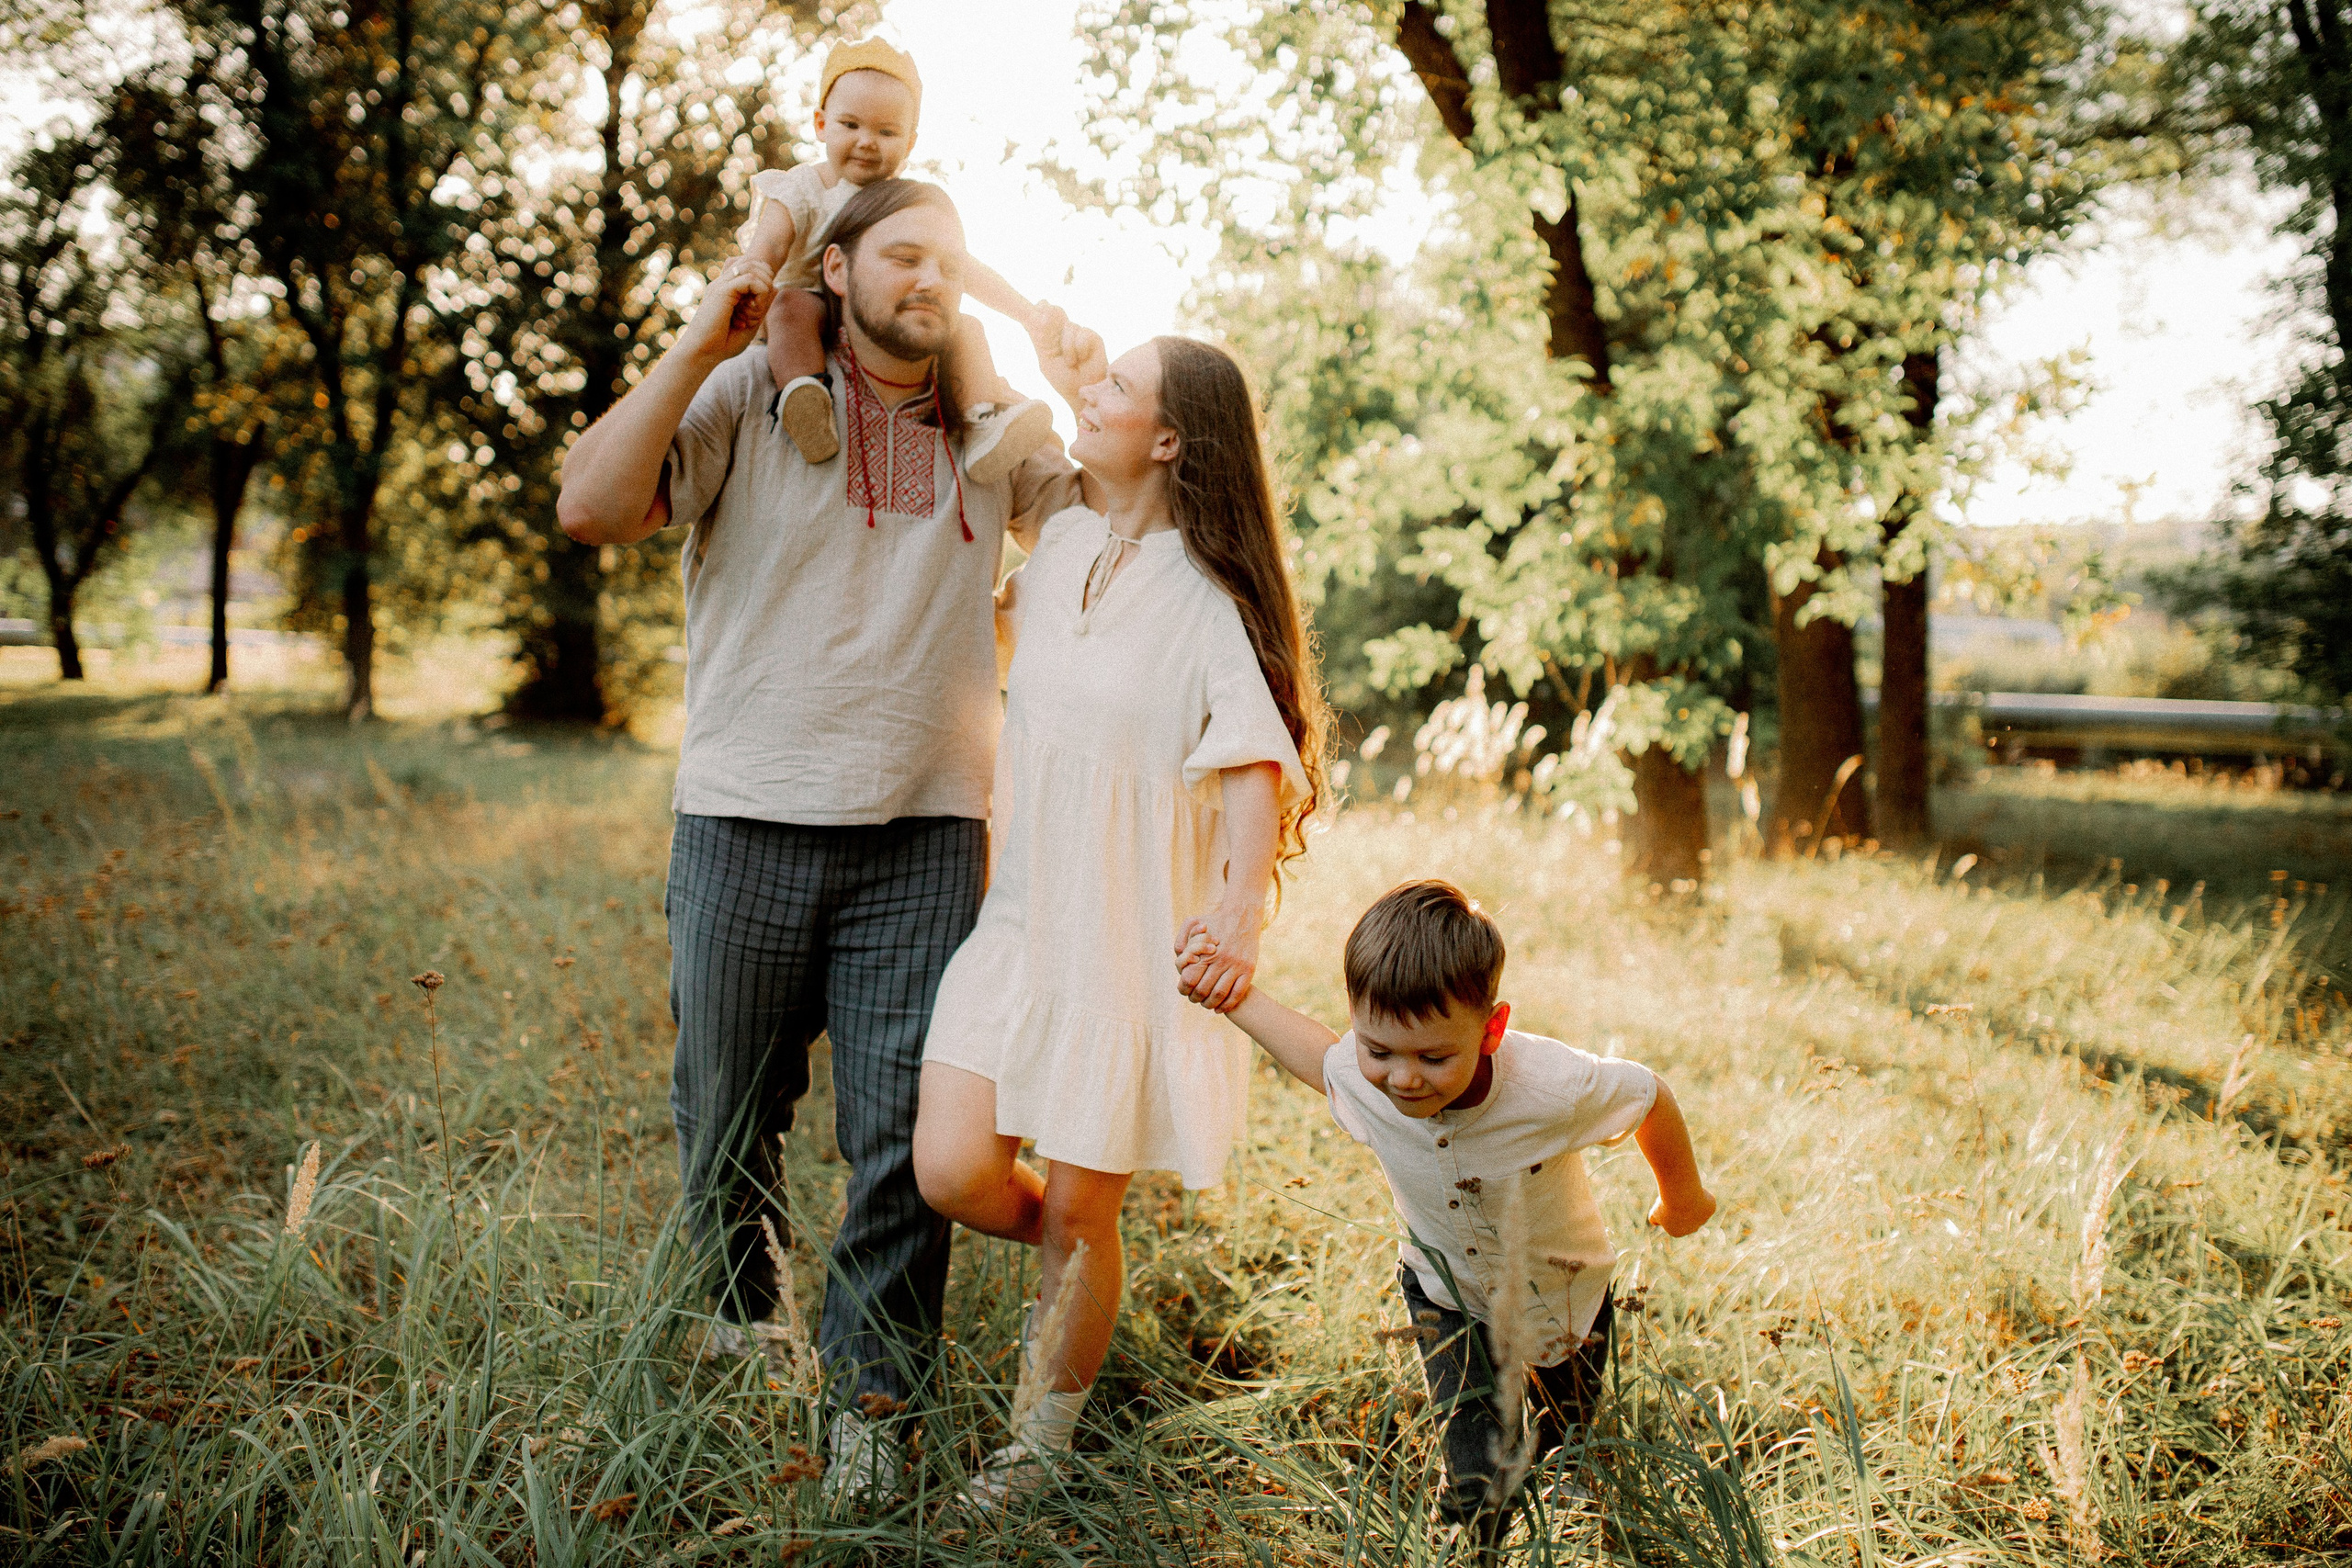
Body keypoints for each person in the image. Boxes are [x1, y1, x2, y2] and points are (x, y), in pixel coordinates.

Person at [554, 177, 1103, 1507]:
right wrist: (700, 336)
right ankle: (748, 1327)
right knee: (726, 1117)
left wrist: (1079, 387)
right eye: (903, 254)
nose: (930, 277)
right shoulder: (751, 392)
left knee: (907, 1145)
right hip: (743, 819)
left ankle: (871, 1398)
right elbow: (591, 503)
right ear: (839, 267)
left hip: (922, 838)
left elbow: (1115, 538)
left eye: (950, 261)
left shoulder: (997, 431)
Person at [910, 334, 1329, 1507]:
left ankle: (1032, 1453)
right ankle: (1084, 1270)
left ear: (1172, 439)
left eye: (1115, 391)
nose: (1088, 401)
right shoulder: (1062, 548)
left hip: (1126, 940)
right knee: (950, 1170)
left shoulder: (1206, 596)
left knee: (1084, 1205)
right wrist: (1048, 354)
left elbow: (1257, 761)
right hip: (1021, 918)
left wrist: (1238, 915)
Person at [1176, 879, 1716, 1538]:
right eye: (1379, 1051)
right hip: (1444, 1294)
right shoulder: (1361, 1073)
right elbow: (1317, 1056)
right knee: (1476, 1473)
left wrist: (1682, 1194)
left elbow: (1646, 1093)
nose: (1403, 1078)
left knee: (1555, 1449)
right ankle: (1467, 1537)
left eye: (1433, 1056)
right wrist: (1233, 993)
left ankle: (1563, 1484)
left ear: (1492, 1028)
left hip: (1566, 1296)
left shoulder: (1552, 1088)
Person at [746, 37, 1053, 482]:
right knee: (791, 306)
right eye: (850, 125)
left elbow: (965, 268)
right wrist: (753, 271)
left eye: (886, 132)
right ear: (820, 123)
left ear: (909, 143)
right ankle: (805, 397)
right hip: (806, 308)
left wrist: (1026, 313)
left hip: (876, 319)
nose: (867, 142)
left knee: (966, 328)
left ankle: (982, 422)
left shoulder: (906, 207)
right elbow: (770, 244)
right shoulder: (803, 187)